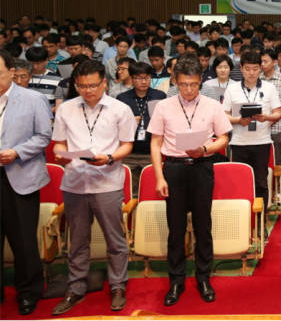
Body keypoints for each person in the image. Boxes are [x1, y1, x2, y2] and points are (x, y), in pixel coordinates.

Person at [51, 59, 136, 315]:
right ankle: (75, 288)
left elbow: (127, 144)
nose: (87, 90)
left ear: (104, 83)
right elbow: (59, 144)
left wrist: (110, 158)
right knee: (77, 241)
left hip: (107, 181)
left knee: (115, 239)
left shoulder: (120, 109)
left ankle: (118, 286)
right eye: (81, 86)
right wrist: (60, 154)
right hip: (75, 182)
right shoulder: (66, 109)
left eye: (92, 85)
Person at [147, 57, 230, 306]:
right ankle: (176, 281)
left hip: (202, 167)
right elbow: (155, 142)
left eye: (194, 84)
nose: (189, 90)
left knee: (204, 226)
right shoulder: (163, 106)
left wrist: (205, 148)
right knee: (176, 229)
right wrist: (159, 176)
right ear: (176, 82)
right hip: (174, 168)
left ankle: (204, 278)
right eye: (184, 85)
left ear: (200, 82)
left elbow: (224, 138)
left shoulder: (212, 105)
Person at [0, 50, 52, 315]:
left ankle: (28, 292)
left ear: (11, 71)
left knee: (22, 239)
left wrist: (17, 151)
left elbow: (44, 136)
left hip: (19, 173)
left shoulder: (34, 99)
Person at [223, 51, 281, 213]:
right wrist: (238, 121)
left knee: (261, 183)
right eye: (248, 69)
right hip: (238, 143)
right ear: (241, 68)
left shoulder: (269, 88)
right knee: (239, 183)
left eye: (255, 69)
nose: (251, 73)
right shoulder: (232, 89)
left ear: (260, 69)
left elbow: (278, 112)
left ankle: (261, 220)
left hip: (262, 142)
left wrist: (266, 118)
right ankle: (243, 218)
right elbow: (224, 114)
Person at [116, 61, 166, 184]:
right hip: (129, 153)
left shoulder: (159, 96)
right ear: (132, 78)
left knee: (151, 187)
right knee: (130, 189)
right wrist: (129, 122)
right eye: (139, 78)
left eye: (147, 77)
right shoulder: (122, 99)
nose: (144, 81)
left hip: (153, 152)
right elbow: (115, 126)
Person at [260, 49, 281, 167]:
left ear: (274, 62)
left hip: (277, 125)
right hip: (259, 125)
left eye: (265, 61)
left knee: (276, 159)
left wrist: (273, 118)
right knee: (262, 159)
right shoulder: (257, 79)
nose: (262, 64)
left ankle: (279, 184)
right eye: (261, 62)